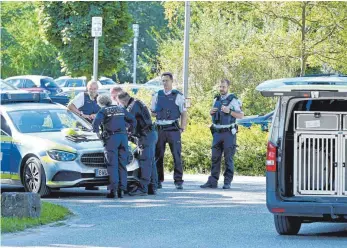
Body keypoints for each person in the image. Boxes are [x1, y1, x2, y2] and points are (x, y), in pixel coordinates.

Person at [200, 79, 244, 189]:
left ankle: (227, 182)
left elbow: (241, 115)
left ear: (228, 87)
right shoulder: (216, 99)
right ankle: (212, 182)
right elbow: (213, 114)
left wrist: (229, 111)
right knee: (215, 158)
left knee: (228, 158)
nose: (221, 89)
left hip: (228, 133)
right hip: (217, 133)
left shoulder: (233, 100)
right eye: (220, 86)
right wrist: (211, 112)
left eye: (223, 87)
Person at [92, 94, 136, 198]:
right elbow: (133, 119)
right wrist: (130, 131)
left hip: (111, 139)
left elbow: (95, 124)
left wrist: (98, 134)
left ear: (100, 103)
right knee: (122, 164)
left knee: (112, 165)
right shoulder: (120, 108)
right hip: (123, 138)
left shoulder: (103, 111)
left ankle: (113, 190)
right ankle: (122, 189)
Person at [151, 72, 187, 190]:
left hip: (173, 129)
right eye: (163, 81)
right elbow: (152, 112)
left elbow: (183, 113)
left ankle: (178, 181)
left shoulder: (178, 96)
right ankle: (158, 180)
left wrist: (182, 128)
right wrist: (155, 113)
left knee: (176, 155)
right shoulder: (157, 95)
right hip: (160, 128)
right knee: (158, 156)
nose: (165, 83)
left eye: (167, 80)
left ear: (172, 81)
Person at [117, 92, 158, 196]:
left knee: (145, 162)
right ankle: (152, 187)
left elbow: (129, 122)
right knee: (150, 161)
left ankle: (143, 188)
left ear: (123, 101)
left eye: (121, 103)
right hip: (151, 133)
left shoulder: (132, 107)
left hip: (145, 136)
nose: (122, 105)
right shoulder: (137, 102)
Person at [68, 80, 100, 191]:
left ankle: (93, 182)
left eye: (94, 88)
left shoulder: (99, 98)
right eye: (91, 88)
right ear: (87, 88)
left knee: (95, 154)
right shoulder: (82, 96)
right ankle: (85, 179)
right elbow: (70, 106)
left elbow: (103, 110)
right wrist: (82, 115)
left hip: (95, 129)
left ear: (97, 89)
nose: (92, 90)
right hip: (82, 128)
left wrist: (95, 115)